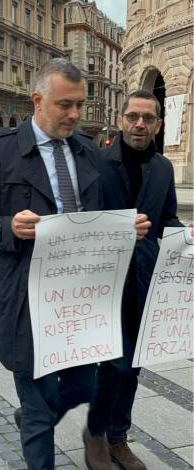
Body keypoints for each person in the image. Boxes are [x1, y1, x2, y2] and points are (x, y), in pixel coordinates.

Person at [0, 58, 150, 470]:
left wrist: (125, 229)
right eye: (66, 105)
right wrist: (8, 227)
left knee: (85, 384)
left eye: (80, 105)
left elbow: (99, 217)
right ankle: (35, 421)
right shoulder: (1, 148)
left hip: (79, 301)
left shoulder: (87, 151)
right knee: (38, 402)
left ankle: (34, 415)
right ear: (37, 100)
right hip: (28, 301)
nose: (76, 115)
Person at [85, 90, 184, 470]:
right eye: (133, 117)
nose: (139, 124)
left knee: (134, 363)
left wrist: (185, 234)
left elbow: (166, 218)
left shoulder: (163, 168)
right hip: (102, 277)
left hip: (144, 277)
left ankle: (117, 436)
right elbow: (82, 216)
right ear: (121, 120)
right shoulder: (96, 162)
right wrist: (119, 229)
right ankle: (98, 433)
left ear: (158, 124)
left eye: (148, 118)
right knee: (111, 363)